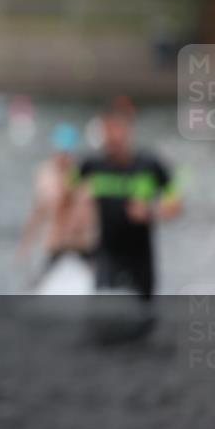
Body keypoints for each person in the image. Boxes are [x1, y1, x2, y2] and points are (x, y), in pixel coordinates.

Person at [74, 99, 182, 300]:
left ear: (129, 130)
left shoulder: (150, 165)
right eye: (107, 130)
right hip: (107, 255)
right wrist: (80, 209)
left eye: (117, 130)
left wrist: (151, 212)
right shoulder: (92, 165)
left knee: (144, 318)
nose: (112, 137)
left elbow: (176, 205)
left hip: (140, 258)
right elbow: (66, 198)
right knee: (106, 313)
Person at [17, 123, 95, 278]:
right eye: (61, 152)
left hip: (82, 247)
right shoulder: (46, 174)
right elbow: (38, 211)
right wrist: (26, 245)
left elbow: (89, 213)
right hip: (56, 247)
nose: (63, 156)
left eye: (66, 153)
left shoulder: (83, 174)